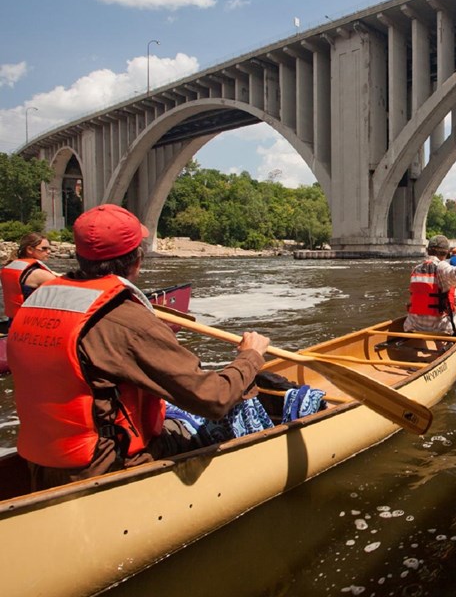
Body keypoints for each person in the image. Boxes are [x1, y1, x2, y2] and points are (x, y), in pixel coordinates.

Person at [7, 204, 271, 491]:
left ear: (80, 256)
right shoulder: (127, 321)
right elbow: (213, 399)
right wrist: (250, 356)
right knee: (229, 410)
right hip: (104, 468)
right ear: (137, 261)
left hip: (40, 463)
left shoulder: (37, 302)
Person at [403, 235, 456, 335]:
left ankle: (433, 343)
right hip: (439, 328)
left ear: (428, 251)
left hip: (413, 325)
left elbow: (428, 293)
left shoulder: (416, 269)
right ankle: (452, 339)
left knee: (452, 304)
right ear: (446, 253)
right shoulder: (441, 266)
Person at [1, 233, 57, 323]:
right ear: (30, 249)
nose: (49, 252)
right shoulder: (40, 274)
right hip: (32, 324)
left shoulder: (9, 267)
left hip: (13, 322)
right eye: (44, 249)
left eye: (49, 248)